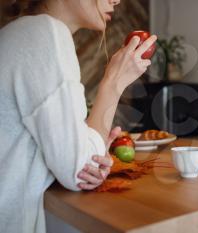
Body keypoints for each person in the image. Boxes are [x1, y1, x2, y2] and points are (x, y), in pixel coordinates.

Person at [0, 0, 157, 232]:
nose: (117, 0)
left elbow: (69, 157)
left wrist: (87, 148)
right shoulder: (45, 34)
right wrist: (113, 83)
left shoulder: (16, 33)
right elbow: (80, 170)